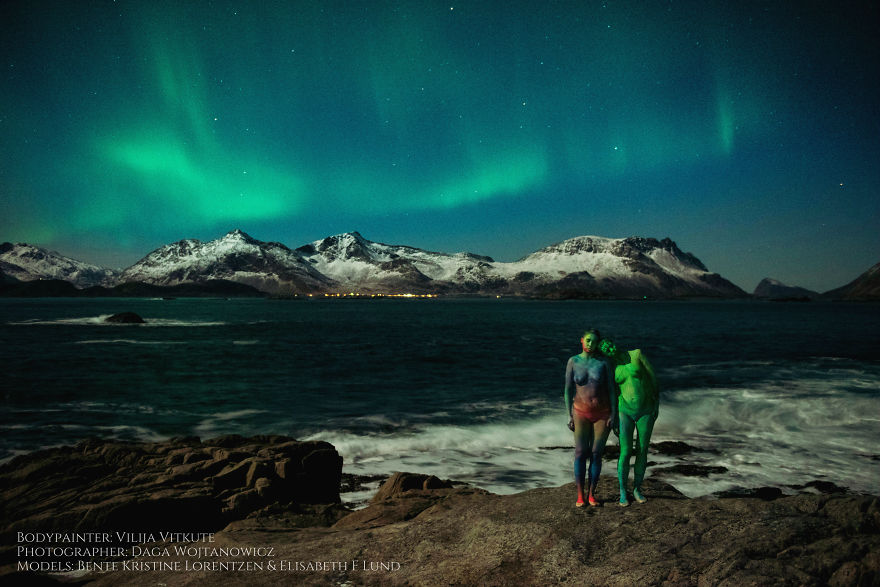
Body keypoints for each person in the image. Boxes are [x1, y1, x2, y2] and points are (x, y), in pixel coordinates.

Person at [600, 339, 659, 507]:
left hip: (646, 411)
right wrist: (613, 417)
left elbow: (654, 380)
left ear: (613, 343)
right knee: (625, 452)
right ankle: (623, 492)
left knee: (642, 449)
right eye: (605, 349)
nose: (609, 348)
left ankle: (637, 489)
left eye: (609, 344)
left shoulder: (636, 354)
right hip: (624, 411)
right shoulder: (611, 368)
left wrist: (656, 406)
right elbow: (611, 393)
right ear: (604, 353)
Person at [564, 329, 618, 507]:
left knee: (596, 454)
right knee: (580, 453)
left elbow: (612, 389)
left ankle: (592, 494)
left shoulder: (603, 362)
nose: (590, 344)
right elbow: (567, 390)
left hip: (602, 414)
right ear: (581, 340)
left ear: (597, 344)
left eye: (593, 342)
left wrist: (614, 414)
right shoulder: (573, 361)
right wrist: (569, 415)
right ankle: (580, 495)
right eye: (587, 340)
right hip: (580, 412)